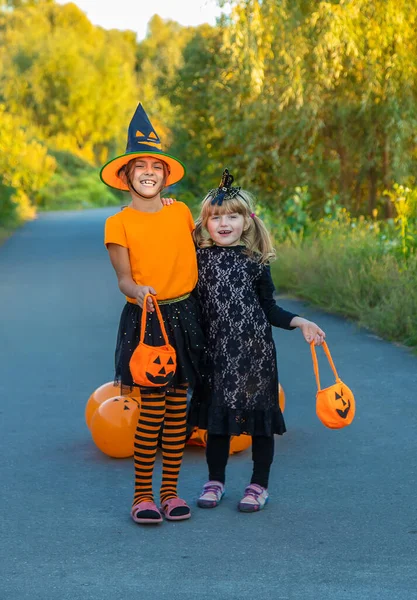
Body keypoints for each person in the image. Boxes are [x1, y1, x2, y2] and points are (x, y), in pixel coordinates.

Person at [188, 169, 326, 512]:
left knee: (261, 425)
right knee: (217, 423)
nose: (224, 223)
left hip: (255, 356)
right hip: (217, 355)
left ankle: (258, 486)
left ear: (246, 222)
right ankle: (215, 481)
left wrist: (300, 322)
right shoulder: (196, 260)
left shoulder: (255, 263)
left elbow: (269, 308)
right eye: (216, 217)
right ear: (205, 224)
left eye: (232, 216)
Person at [100, 103, 205, 524]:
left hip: (185, 316)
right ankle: (141, 496)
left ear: (164, 175)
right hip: (147, 321)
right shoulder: (117, 223)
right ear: (126, 177)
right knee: (152, 410)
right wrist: (138, 290)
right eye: (138, 166)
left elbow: (202, 248)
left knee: (179, 408)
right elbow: (124, 279)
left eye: (154, 166)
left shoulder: (180, 213)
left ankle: (171, 493)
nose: (147, 172)